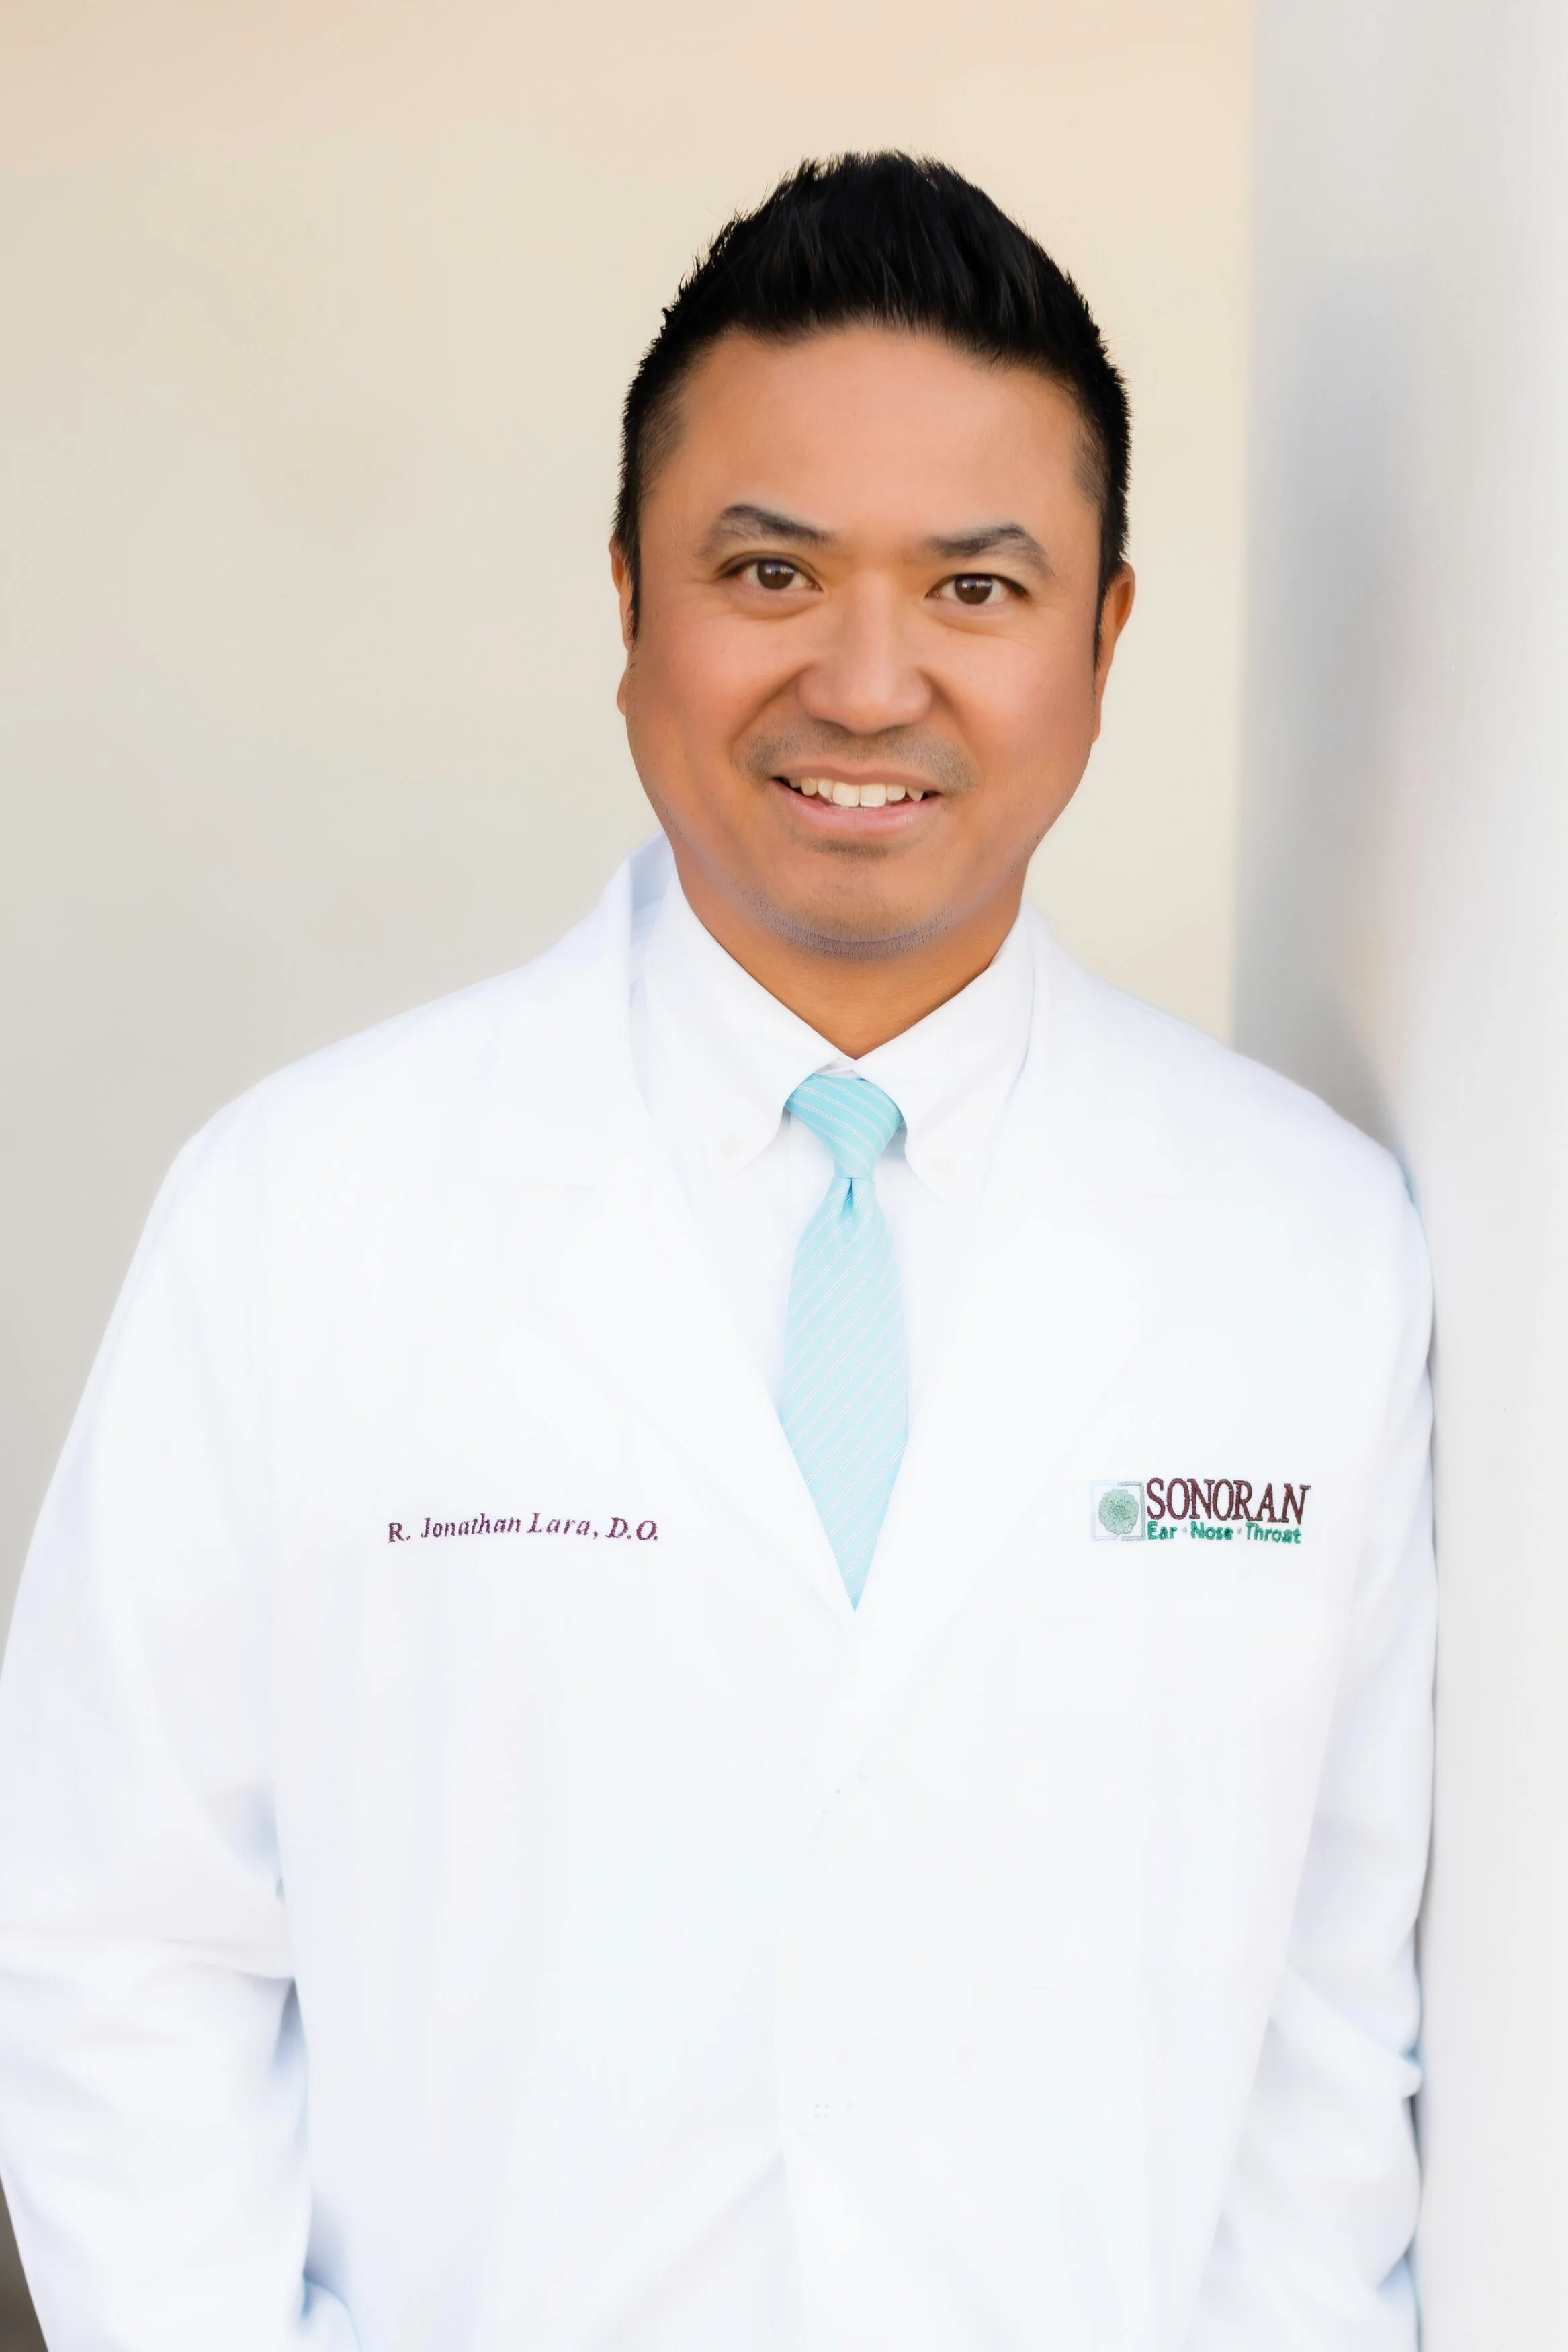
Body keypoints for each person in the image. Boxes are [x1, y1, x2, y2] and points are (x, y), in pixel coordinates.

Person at [0, 154, 1434, 2350]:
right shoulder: (296, 1215)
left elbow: (1330, 2057)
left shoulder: (1310, 1251)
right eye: (769, 571)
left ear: (1103, 637)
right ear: (628, 603)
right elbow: (117, 1948)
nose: (863, 682)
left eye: (975, 587)